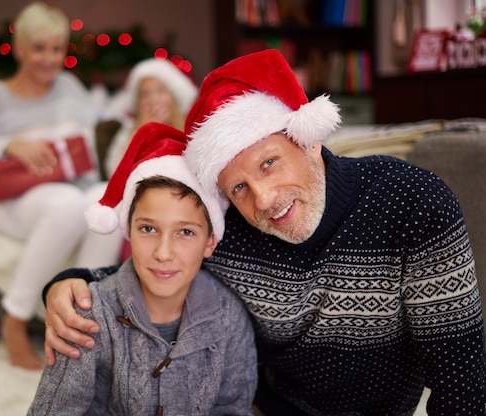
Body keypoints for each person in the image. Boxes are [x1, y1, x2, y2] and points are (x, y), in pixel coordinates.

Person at [42, 49, 486, 414]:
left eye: (269, 163)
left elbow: (462, 382)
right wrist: (66, 284)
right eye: (239, 186)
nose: (265, 199)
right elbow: (156, 263)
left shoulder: (412, 203)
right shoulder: (230, 229)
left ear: (308, 139)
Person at [0, 2, 122, 370]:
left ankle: (82, 322)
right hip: (13, 204)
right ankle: (15, 320)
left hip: (69, 190)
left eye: (56, 49)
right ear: (19, 47)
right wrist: (6, 145)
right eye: (38, 48)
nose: (48, 59)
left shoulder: (68, 87)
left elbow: (107, 116)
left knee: (106, 204)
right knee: (68, 204)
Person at [27, 122, 257, 415]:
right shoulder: (87, 316)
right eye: (148, 228)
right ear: (128, 231)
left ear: (210, 242)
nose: (163, 253)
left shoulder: (229, 317)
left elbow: (233, 409)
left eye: (185, 232)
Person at [99, 57, 197, 179]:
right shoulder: (129, 129)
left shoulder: (191, 129)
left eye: (160, 91)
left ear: (174, 96)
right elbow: (113, 172)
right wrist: (140, 134)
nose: (153, 99)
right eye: (144, 94)